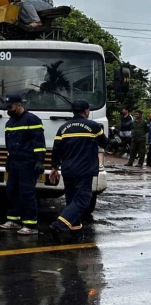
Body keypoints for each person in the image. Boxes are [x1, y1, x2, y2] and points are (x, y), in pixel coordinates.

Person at [49, 100, 108, 242]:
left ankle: (76, 232)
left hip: (68, 170)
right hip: (84, 170)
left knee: (72, 200)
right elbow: (105, 143)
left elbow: (56, 150)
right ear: (86, 111)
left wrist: (54, 168)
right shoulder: (93, 126)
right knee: (83, 199)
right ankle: (60, 224)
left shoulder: (63, 128)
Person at [0, 94, 46, 235]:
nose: (9, 110)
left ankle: (30, 224)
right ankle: (14, 220)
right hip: (14, 162)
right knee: (11, 191)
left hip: (29, 162)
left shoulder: (32, 120)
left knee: (27, 193)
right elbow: (10, 144)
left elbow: (39, 142)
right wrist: (8, 159)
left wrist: (39, 160)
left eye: (11, 107)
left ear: (19, 105)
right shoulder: (10, 123)